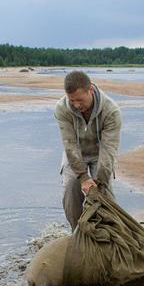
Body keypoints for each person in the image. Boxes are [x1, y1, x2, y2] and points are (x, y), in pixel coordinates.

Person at [54, 70, 121, 230]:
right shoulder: (62, 109)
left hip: (100, 154)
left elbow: (108, 150)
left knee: (103, 193)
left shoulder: (111, 111)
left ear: (90, 90)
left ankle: (109, 232)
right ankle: (78, 231)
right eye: (72, 100)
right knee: (71, 187)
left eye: (80, 100)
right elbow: (69, 144)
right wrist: (83, 177)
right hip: (75, 153)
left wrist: (99, 183)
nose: (77, 105)